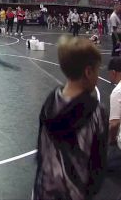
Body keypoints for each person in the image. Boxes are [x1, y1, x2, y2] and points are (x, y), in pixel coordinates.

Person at [33, 36, 108, 200]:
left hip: (44, 189)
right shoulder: (96, 112)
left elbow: (41, 148)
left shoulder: (50, 101)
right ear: (88, 72)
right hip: (75, 192)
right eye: (97, 70)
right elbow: (98, 164)